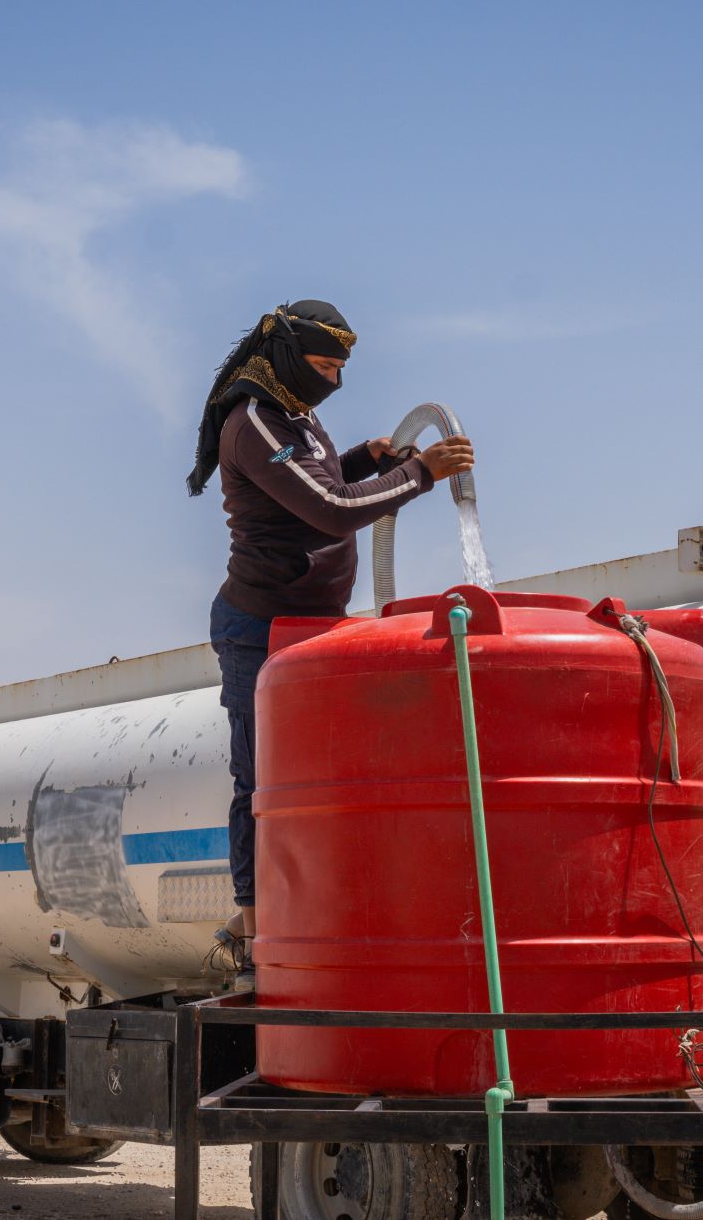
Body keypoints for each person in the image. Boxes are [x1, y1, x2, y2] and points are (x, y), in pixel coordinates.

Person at [187, 300, 475, 990]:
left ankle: (317, 906)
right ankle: (255, 932)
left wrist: (363, 457)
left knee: (319, 784)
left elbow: (327, 483)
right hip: (259, 629)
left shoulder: (298, 412)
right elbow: (329, 510)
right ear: (287, 356)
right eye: (324, 366)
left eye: (342, 368)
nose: (334, 380)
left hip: (318, 627)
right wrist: (418, 474)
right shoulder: (252, 421)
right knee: (259, 781)